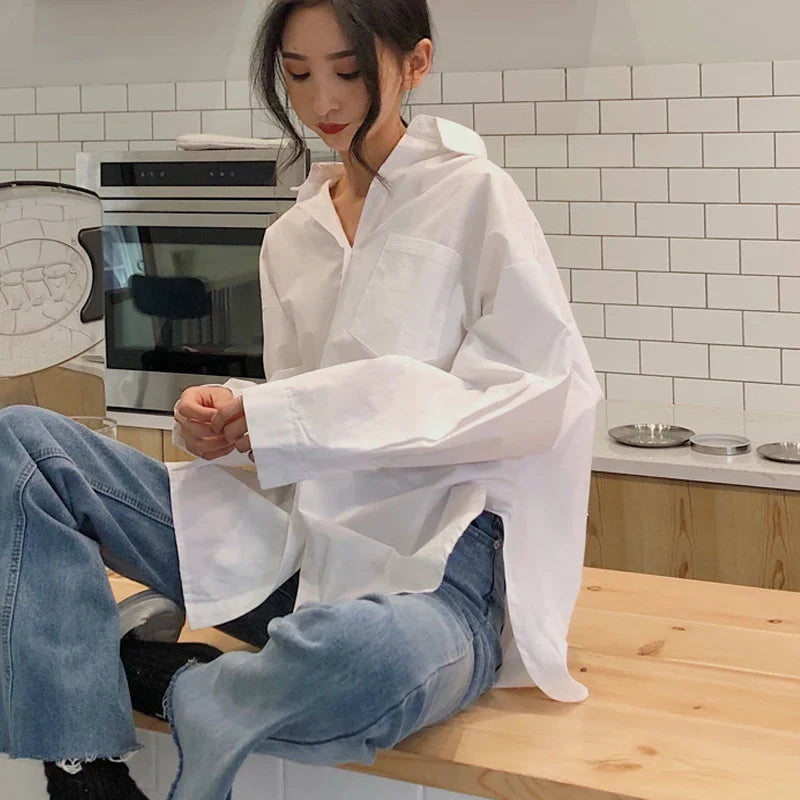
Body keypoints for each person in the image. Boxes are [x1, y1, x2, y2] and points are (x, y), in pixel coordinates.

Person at [0, 1, 602, 798]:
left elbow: (536, 392)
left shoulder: (474, 196)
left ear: (415, 63)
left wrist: (287, 416)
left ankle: (168, 679)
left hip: (435, 572)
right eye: (298, 74)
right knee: (23, 444)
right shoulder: (293, 235)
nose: (323, 101)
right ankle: (84, 769)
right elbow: (296, 409)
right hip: (296, 549)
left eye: (348, 72)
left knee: (369, 659)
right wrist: (232, 419)